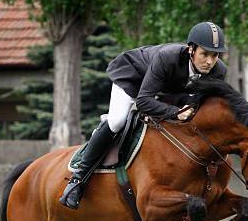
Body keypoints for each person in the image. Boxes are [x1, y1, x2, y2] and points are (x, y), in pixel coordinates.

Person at [59, 21, 228, 209]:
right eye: (204, 54)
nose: (210, 61)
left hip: (165, 89)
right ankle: (77, 180)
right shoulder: (168, 58)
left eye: (215, 55)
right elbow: (143, 101)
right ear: (191, 50)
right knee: (117, 121)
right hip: (133, 79)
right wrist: (175, 113)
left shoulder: (218, 71)